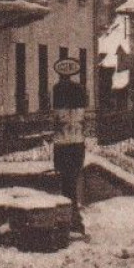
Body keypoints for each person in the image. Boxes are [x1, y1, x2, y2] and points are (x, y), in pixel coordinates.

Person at [51, 58, 89, 235]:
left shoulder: (57, 91)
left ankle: (69, 219)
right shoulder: (79, 91)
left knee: (65, 182)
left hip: (62, 144)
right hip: (76, 143)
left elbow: (58, 121)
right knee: (71, 181)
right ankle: (73, 219)